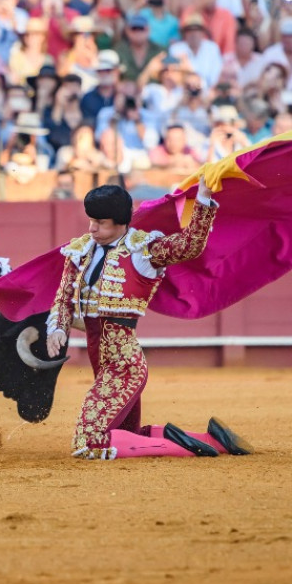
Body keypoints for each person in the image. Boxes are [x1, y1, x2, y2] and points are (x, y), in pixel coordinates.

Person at [45, 184, 253, 460]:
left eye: (101, 223)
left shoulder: (143, 251)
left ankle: (187, 449)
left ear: (120, 223)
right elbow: (63, 297)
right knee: (128, 432)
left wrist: (203, 199)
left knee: (91, 442)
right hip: (102, 359)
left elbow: (189, 245)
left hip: (125, 364)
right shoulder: (81, 251)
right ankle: (211, 440)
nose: (92, 229)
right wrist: (57, 328)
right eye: (91, 221)